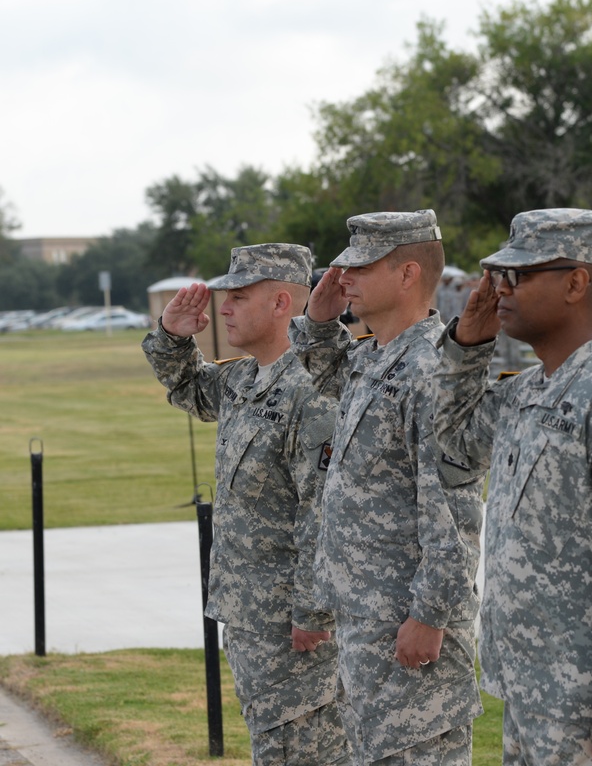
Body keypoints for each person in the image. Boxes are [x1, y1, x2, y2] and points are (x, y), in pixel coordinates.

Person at [434, 209, 592, 765]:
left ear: (577, 282)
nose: (500, 290)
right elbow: (452, 454)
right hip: (535, 690)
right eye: (499, 276)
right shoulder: (527, 392)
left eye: (519, 276)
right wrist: (466, 348)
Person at [288, 209, 486, 766]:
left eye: (361, 266)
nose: (343, 276)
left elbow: (452, 505)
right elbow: (326, 372)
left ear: (407, 275)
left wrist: (430, 614)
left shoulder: (432, 370)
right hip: (368, 624)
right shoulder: (374, 357)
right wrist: (319, 321)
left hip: (410, 630)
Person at [141, 243, 349, 766]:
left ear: (282, 303)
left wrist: (312, 610)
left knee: (302, 751)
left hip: (293, 627)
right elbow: (189, 387)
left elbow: (320, 510)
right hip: (251, 616)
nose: (224, 308)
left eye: (238, 296)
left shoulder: (311, 391)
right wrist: (172, 335)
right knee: (272, 747)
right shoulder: (244, 378)